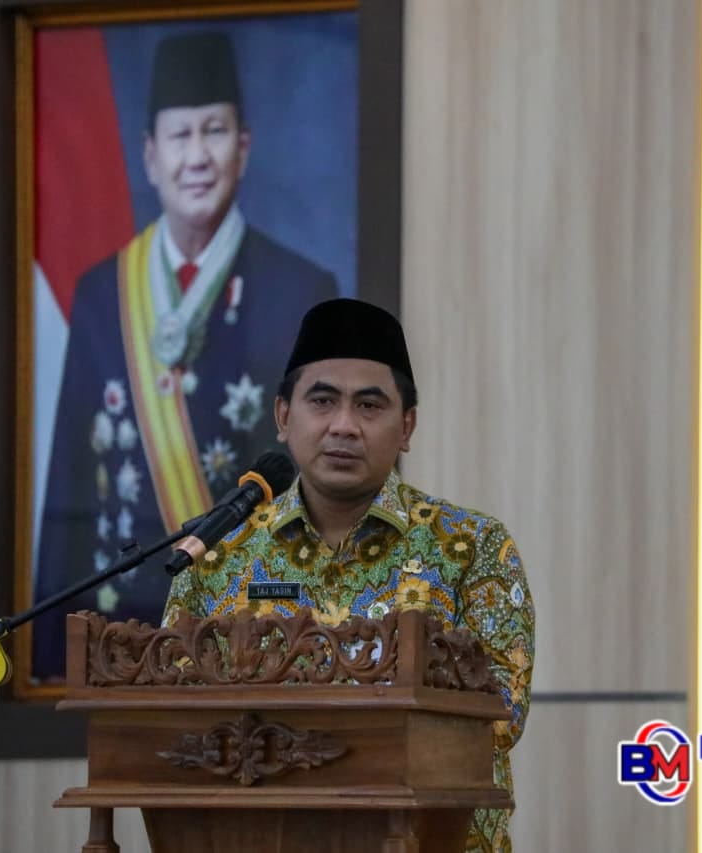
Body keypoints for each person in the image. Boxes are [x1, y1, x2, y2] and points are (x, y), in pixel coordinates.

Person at [163, 298, 536, 851]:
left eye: (369, 405)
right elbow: (172, 717)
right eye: (322, 401)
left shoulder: (471, 548)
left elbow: (500, 717)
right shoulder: (217, 554)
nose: (344, 425)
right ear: (283, 417)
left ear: (406, 426)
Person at [30, 31, 338, 681]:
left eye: (214, 131)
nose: (197, 156)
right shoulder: (100, 292)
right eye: (180, 135)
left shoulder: (302, 290)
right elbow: (70, 484)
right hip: (125, 637)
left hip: (255, 638)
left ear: (243, 147)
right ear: (150, 155)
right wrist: (54, 661)